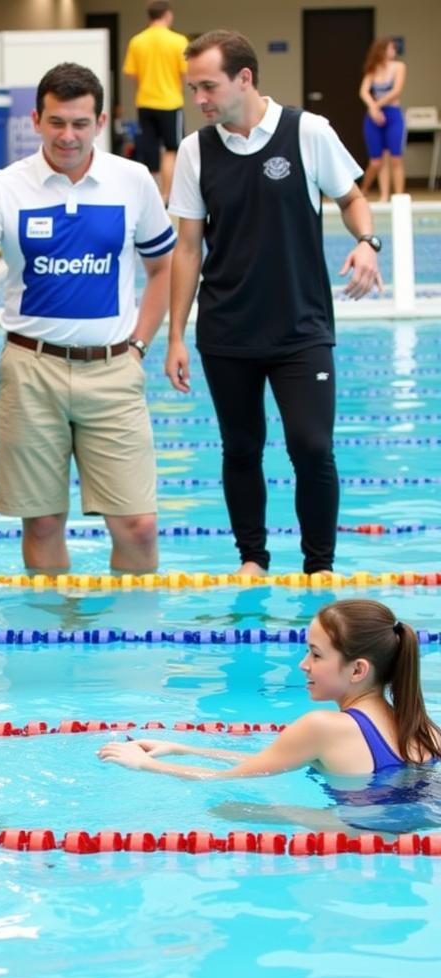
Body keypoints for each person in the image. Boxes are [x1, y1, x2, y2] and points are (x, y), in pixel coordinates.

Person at [0, 62, 175, 575]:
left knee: (138, 525)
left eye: (80, 123)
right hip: (31, 369)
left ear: (101, 121)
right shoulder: (5, 187)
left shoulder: (132, 181)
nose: (68, 136)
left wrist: (141, 344)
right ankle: (56, 640)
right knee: (43, 522)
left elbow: (163, 269)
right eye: (56, 122)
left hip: (112, 370)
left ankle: (133, 648)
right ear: (36, 119)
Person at [165, 30, 383, 577]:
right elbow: (188, 248)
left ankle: (319, 565)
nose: (200, 100)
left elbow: (353, 197)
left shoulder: (307, 132)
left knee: (312, 447)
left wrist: (367, 243)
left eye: (208, 86)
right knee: (241, 448)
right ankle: (252, 558)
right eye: (193, 89)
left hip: (300, 327)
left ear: (245, 78)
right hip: (227, 329)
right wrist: (175, 337)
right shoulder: (196, 151)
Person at [100, 599, 441, 779]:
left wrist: (146, 765)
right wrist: (182, 749)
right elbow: (272, 762)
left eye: (316, 654)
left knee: (226, 810)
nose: (303, 664)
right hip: (401, 841)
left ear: (358, 670)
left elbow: (225, 779)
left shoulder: (323, 726)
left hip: (358, 842)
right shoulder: (425, 729)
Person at [123, 0, 189, 203]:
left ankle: (153, 197)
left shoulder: (137, 41)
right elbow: (185, 73)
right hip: (170, 102)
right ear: (168, 15)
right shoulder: (178, 41)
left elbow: (132, 74)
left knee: (150, 151)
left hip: (145, 102)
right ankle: (167, 195)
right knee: (171, 149)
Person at [359, 38, 406, 201]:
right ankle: (372, 191)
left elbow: (396, 91)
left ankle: (399, 196)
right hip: (374, 117)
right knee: (377, 161)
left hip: (392, 113)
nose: (394, 51)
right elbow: (364, 91)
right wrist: (373, 108)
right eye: (391, 48)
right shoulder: (372, 69)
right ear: (382, 50)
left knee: (395, 157)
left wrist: (375, 106)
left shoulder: (399, 67)